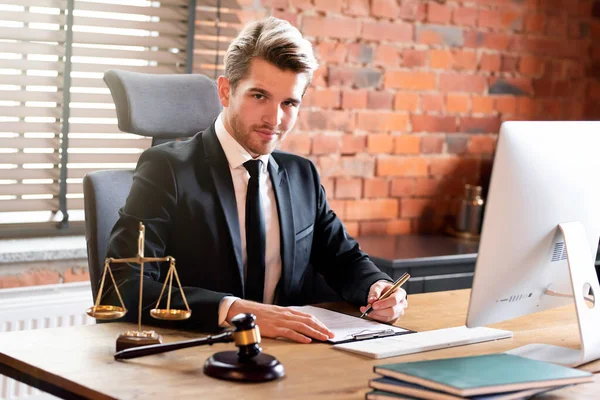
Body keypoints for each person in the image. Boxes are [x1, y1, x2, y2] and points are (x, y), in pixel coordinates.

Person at [104, 16, 407, 343]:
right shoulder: (167, 170)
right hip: (196, 357)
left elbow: (342, 258)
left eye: (289, 103)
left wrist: (376, 287)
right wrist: (235, 311)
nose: (274, 119)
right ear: (225, 90)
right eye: (259, 96)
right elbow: (122, 285)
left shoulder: (301, 175)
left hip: (291, 359)